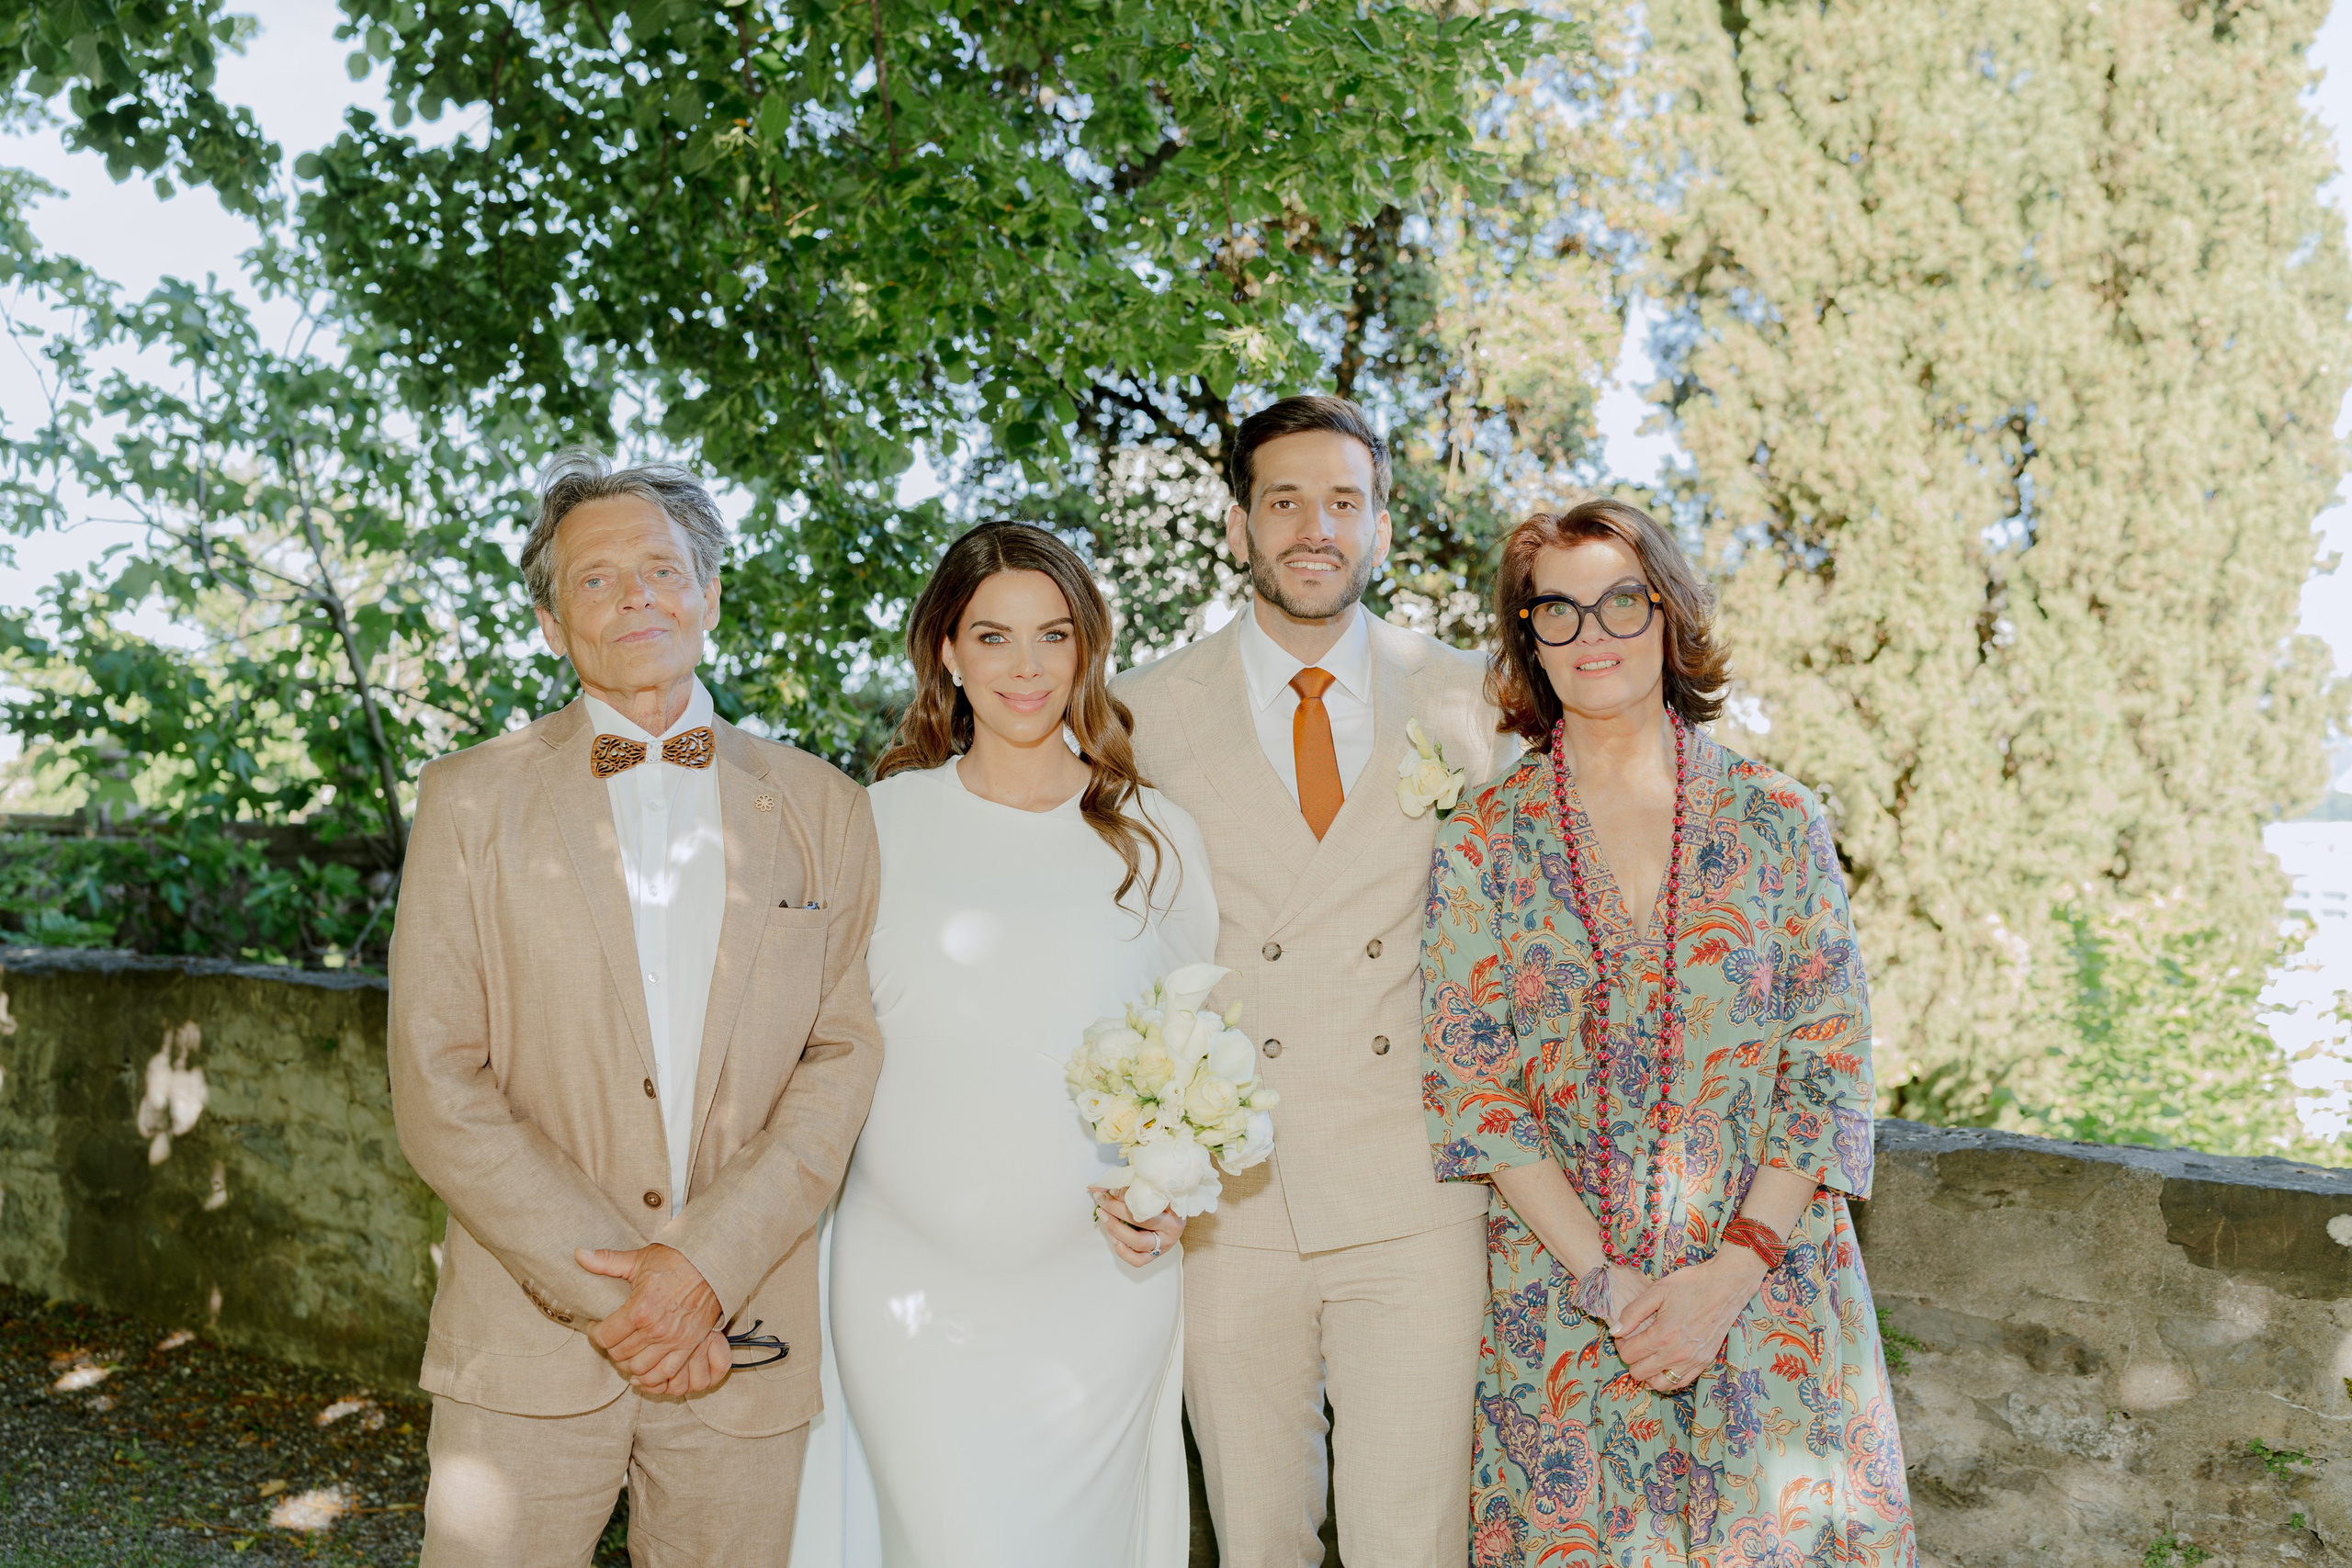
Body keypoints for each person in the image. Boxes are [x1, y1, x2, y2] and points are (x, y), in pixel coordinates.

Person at [388, 452, 885, 1565]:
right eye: (597, 581)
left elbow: (841, 1059)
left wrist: (701, 1269)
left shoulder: (825, 809)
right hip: (523, 1348)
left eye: (662, 569)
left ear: (709, 595)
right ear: (553, 625)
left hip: (743, 1337)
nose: (637, 598)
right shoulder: (467, 801)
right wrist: (620, 1295)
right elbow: (436, 1078)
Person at [1420, 498, 1917, 1565]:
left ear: (1668, 617)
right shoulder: (1481, 844)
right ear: (1526, 639)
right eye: (1556, 610)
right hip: (1566, 1318)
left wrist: (1725, 1278)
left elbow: (1826, 1077)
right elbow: (1475, 1093)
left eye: (1620, 603)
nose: (1591, 633)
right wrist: (1614, 1288)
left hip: (1769, 1300)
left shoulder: (1778, 821)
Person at [1115, 394, 1518, 1566]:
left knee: (1415, 1542)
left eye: (1342, 502)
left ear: (1380, 529)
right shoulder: (1138, 710)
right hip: (1229, 1208)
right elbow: (1105, 946)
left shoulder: (1470, 698)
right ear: (1238, 525)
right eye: (1283, 500)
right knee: (1257, 1543)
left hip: (1418, 1200)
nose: (1313, 527)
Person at [807, 522, 1216, 1566]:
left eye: (1053, 635)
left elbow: (1200, 1057)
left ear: (1086, 650)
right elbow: (818, 1049)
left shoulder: (1155, 834)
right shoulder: (877, 824)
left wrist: (1170, 1194)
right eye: (992, 637)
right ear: (946, 650)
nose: (1025, 667)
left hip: (1097, 1291)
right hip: (906, 1293)